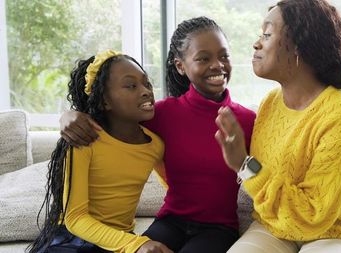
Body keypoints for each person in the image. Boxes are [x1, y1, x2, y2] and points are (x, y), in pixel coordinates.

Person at [58, 17, 256, 253]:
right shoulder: (161, 114)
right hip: (171, 221)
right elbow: (112, 117)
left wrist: (242, 162)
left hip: (218, 228)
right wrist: (69, 115)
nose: (218, 65)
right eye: (204, 58)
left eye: (224, 56)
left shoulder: (247, 120)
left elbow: (260, 176)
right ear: (181, 66)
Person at [215, 1, 341, 252]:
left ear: (300, 46)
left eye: (267, 34)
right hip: (274, 227)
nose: (256, 43)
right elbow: (265, 178)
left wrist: (244, 164)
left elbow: (313, 216)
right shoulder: (270, 104)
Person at [28, 50, 172, 253]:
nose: (146, 91)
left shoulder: (155, 145)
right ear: (104, 100)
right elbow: (75, 218)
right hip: (74, 240)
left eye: (147, 83)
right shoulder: (84, 140)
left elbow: (175, 189)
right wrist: (135, 244)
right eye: (131, 85)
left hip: (116, 241)